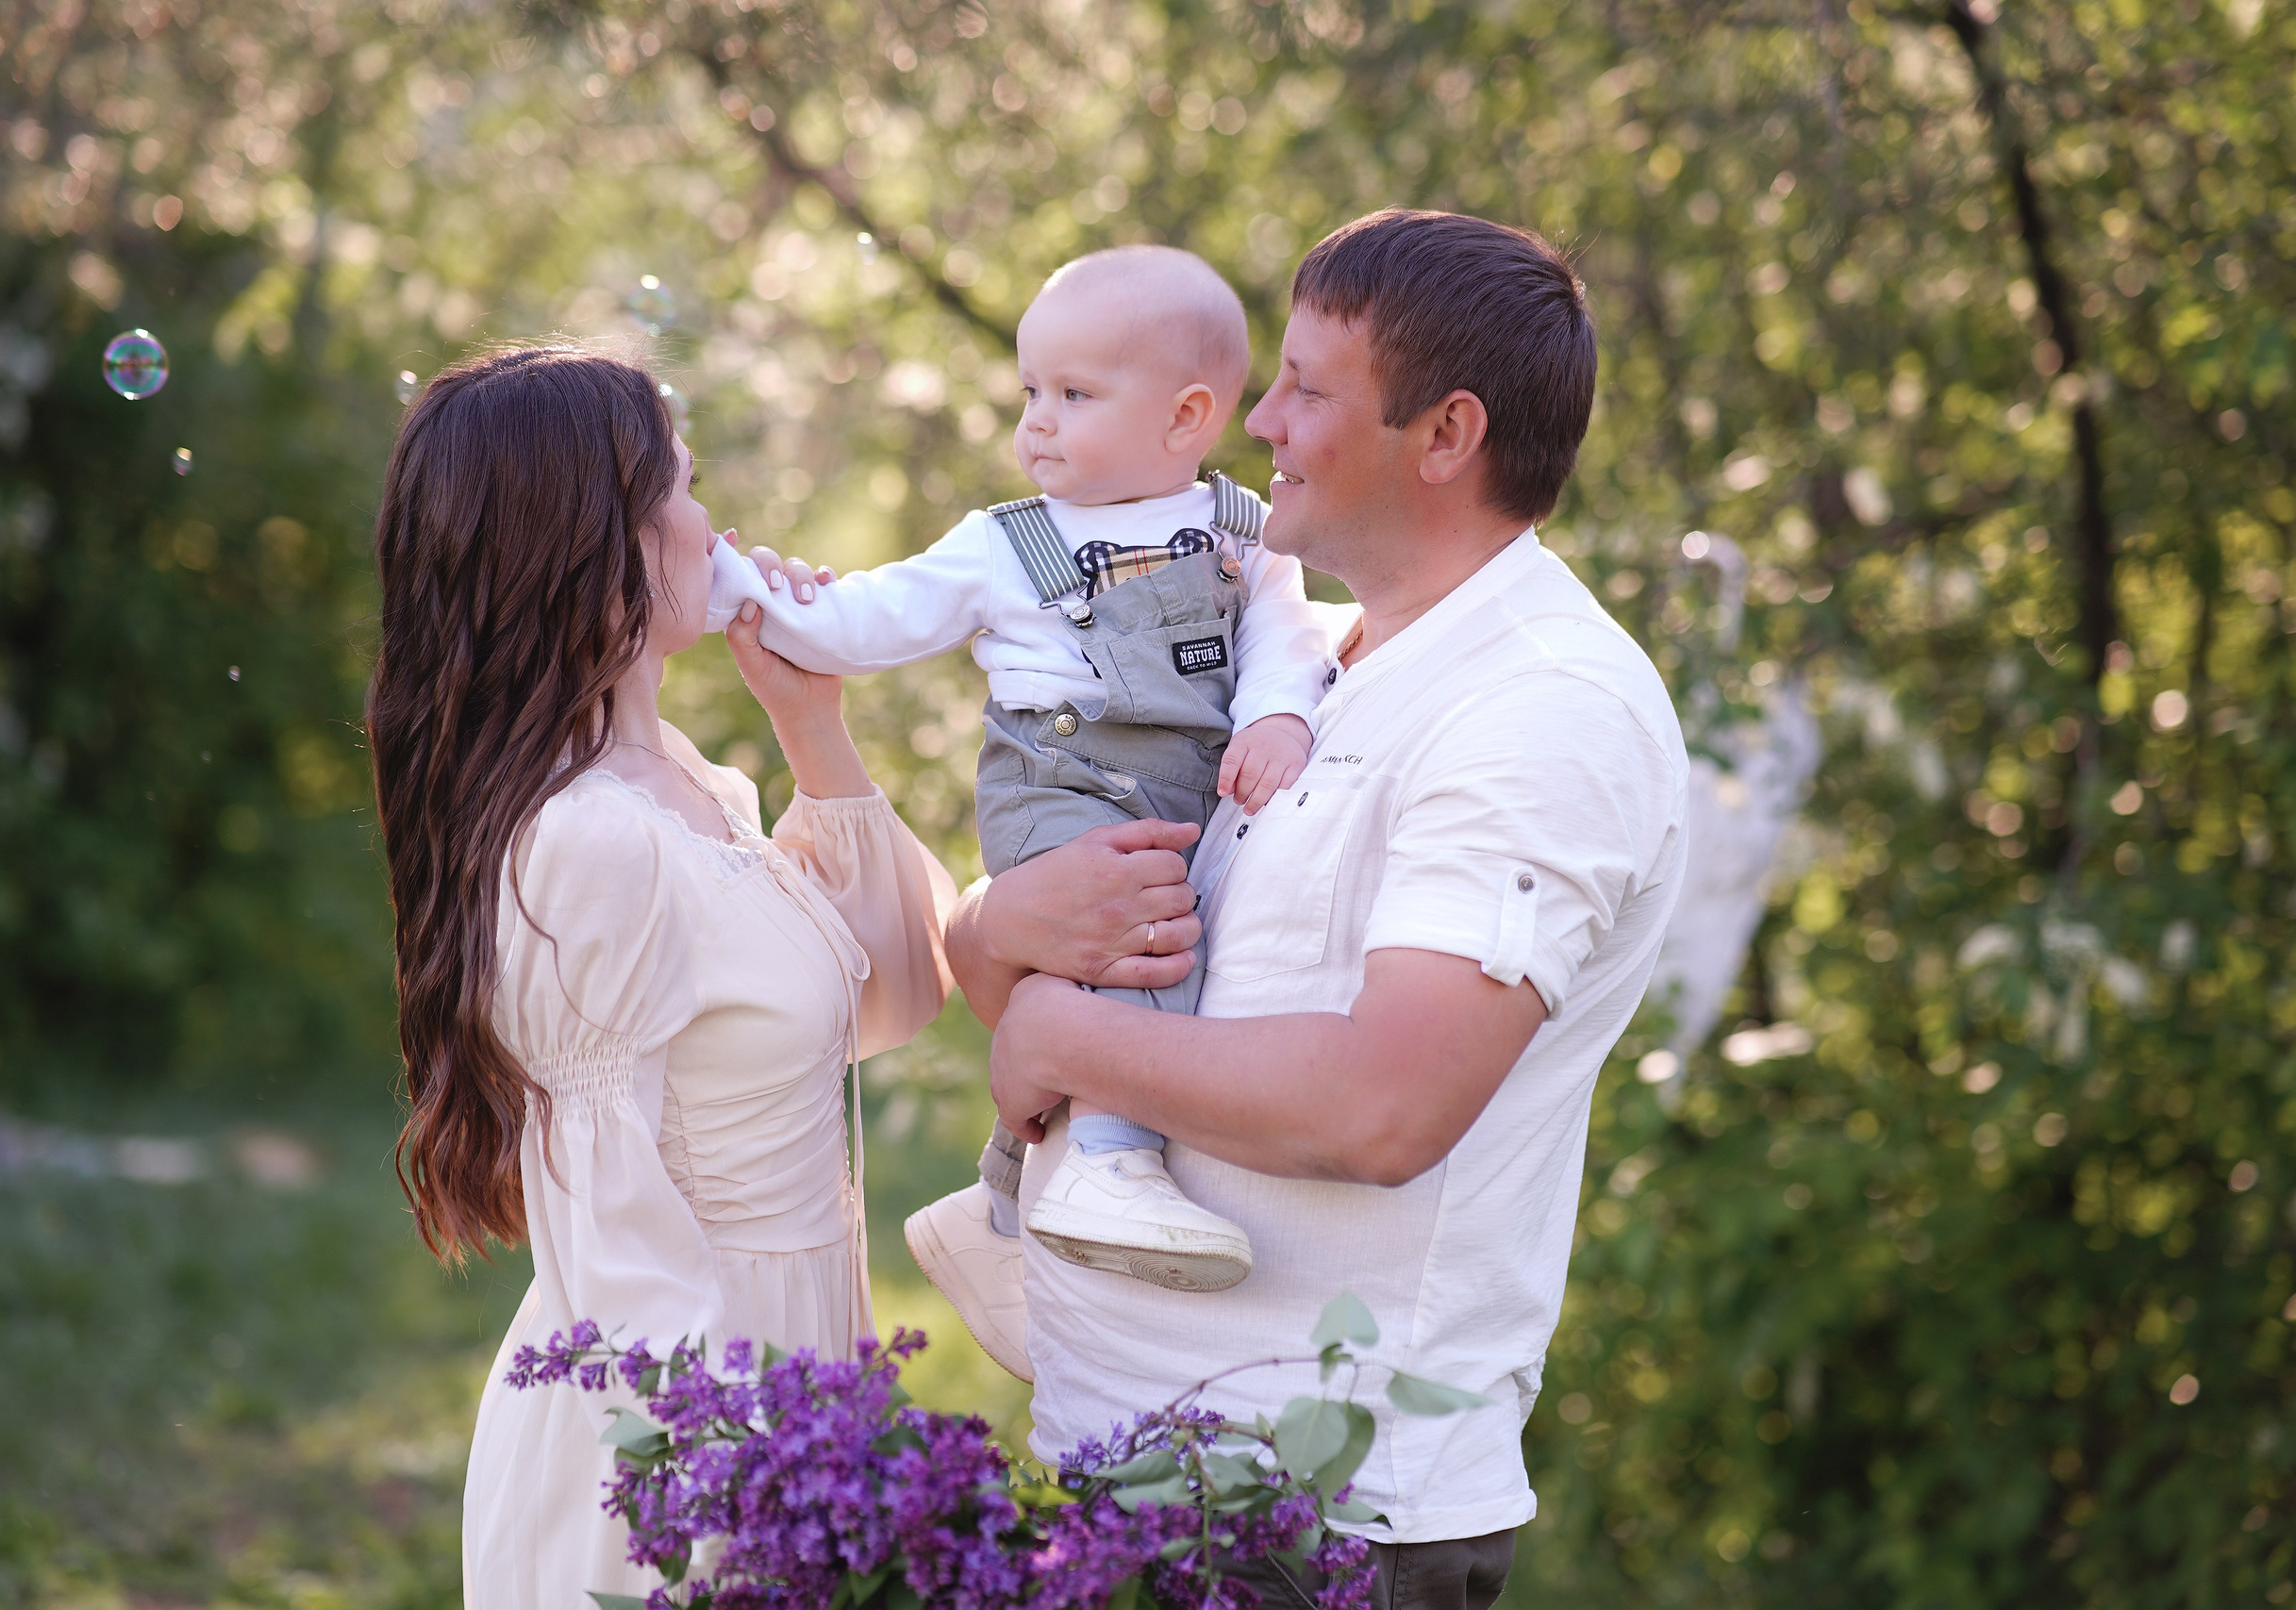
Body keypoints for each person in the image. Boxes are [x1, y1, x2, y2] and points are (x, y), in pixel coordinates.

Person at [943, 210, 1690, 1610]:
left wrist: (1055, 1033)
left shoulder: (1539, 710)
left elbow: (1382, 1105)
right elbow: (1106, 955)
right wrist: (998, 932)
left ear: (1446, 432)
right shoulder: (1302, 657)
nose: (1260, 417)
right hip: (1135, 1473)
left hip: (1313, 1514)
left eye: (1305, 386)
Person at [366, 344, 954, 1607]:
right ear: (599, 544)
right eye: (682, 486)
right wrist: (751, 1492)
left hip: (801, 1375)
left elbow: (901, 994)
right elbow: (615, 1239)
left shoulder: (689, 786)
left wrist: (817, 729)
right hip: (682, 1440)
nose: (712, 522)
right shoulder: (587, 841)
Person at [711, 245, 1333, 1347]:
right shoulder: (1007, 545)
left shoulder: (1244, 532)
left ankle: (1004, 1198)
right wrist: (753, 593)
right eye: (1029, 392)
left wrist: (1279, 712)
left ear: (1187, 417)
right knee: (1144, 942)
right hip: (1065, 787)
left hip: (1189, 787)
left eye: (1075, 395)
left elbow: (1286, 635)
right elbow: (869, 618)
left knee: (1168, 945)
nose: (1037, 422)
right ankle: (1109, 1164)